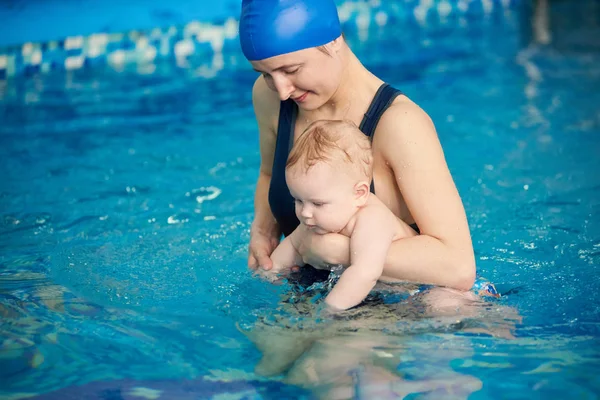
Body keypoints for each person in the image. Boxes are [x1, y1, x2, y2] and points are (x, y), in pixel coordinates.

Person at [240, 0, 477, 291]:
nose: (283, 89)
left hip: (400, 306)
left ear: (334, 41)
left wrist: (339, 252)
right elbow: (268, 174)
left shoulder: (399, 124)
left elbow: (458, 266)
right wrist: (264, 227)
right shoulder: (270, 98)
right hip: (307, 295)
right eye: (265, 74)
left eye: (292, 69)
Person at [255, 119, 419, 311]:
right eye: (298, 201)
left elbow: (364, 273)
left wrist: (326, 313)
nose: (305, 213)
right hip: (383, 294)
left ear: (359, 194)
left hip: (426, 292)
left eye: (318, 203)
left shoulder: (373, 219)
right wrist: (267, 276)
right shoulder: (316, 220)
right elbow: (292, 246)